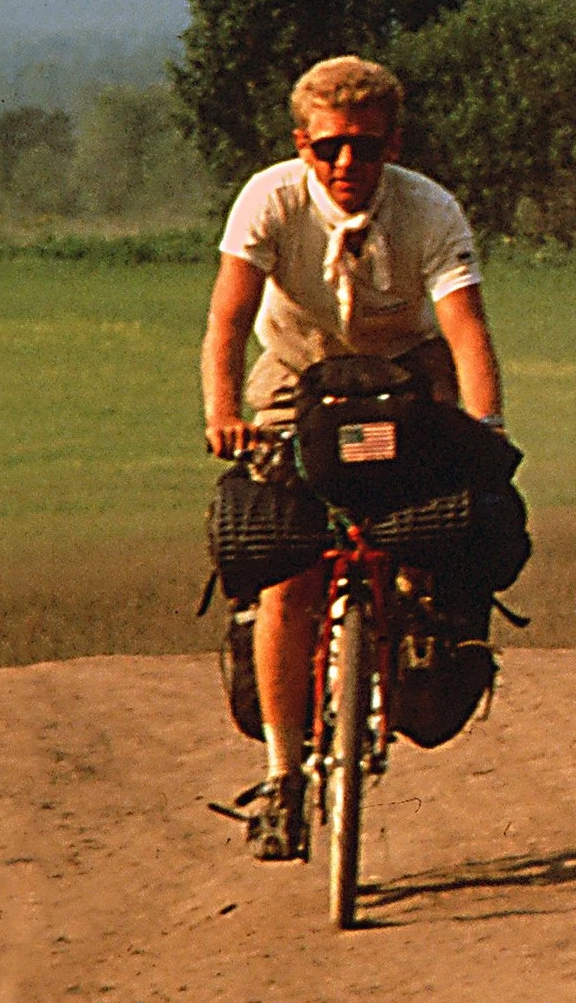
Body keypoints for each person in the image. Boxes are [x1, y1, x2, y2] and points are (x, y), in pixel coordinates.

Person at [200, 56, 505, 861]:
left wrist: (486, 426)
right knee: (287, 570)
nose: (347, 165)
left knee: (438, 525)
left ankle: (418, 632)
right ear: (303, 145)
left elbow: (467, 330)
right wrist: (225, 412)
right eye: (330, 147)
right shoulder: (269, 200)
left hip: (405, 371)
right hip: (298, 371)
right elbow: (228, 321)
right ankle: (282, 780)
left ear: (391, 146)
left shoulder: (430, 210)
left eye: (365, 148)